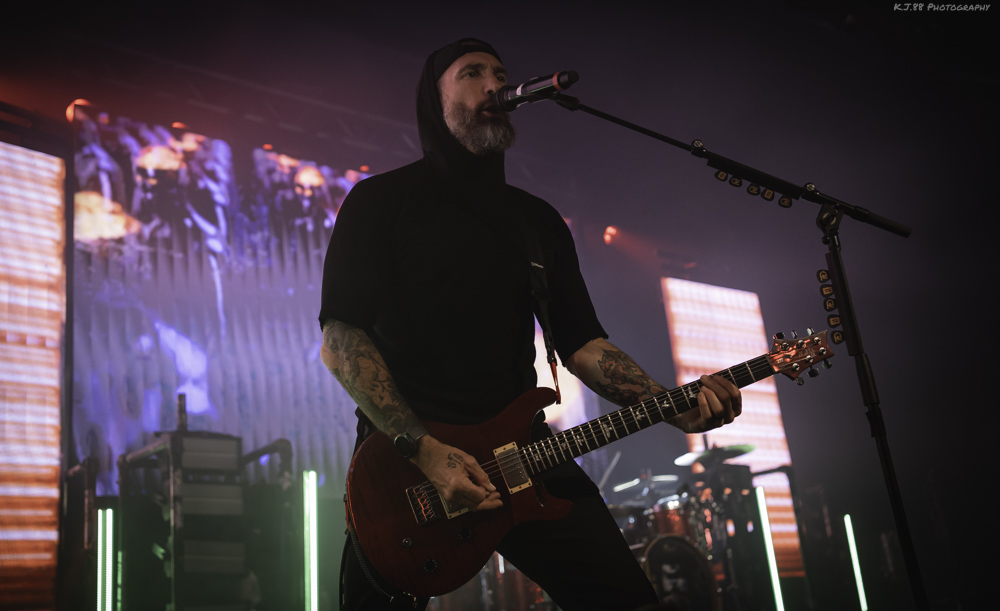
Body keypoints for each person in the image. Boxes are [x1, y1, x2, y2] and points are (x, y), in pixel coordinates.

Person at [318, 38, 742, 611]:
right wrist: (423, 450)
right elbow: (342, 341)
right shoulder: (380, 202)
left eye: (499, 72)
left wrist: (669, 402)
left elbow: (583, 344)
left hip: (526, 455)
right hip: (405, 469)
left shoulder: (537, 222)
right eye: (471, 73)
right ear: (434, 101)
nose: (494, 84)